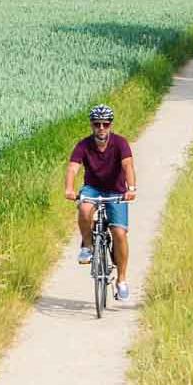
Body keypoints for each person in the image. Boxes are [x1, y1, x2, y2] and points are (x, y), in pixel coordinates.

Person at [64, 104, 138, 300]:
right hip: (93, 189)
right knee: (85, 208)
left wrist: (131, 189)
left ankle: (121, 280)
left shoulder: (120, 143)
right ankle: (87, 246)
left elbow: (128, 166)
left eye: (105, 124)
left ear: (110, 125)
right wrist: (69, 189)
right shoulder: (83, 145)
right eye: (97, 124)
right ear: (92, 125)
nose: (101, 128)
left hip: (116, 190)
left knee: (119, 233)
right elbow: (73, 168)